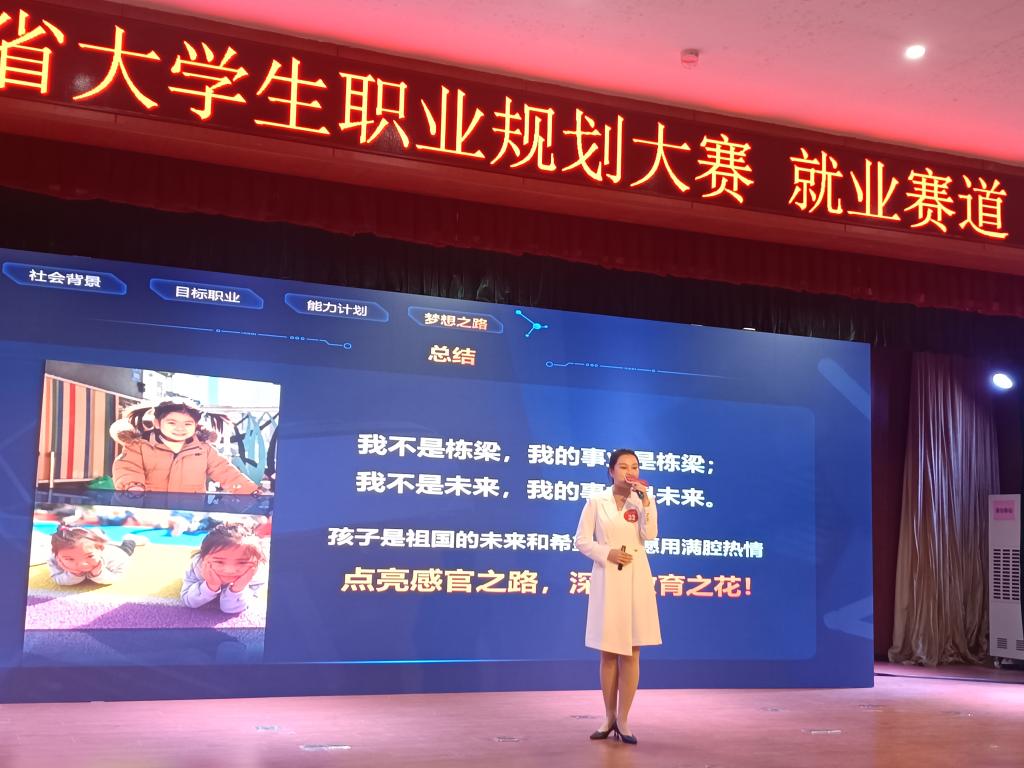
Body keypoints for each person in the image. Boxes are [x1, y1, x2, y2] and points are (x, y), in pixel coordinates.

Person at [574, 448, 661, 745]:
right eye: (623, 466)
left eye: (634, 467)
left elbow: (650, 535)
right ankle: (608, 716)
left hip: (636, 576)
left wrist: (646, 502)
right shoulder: (596, 502)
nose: (630, 472)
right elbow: (581, 541)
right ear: (611, 471)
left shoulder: (644, 500)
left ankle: (624, 719)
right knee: (609, 651)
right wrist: (607, 553)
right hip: (609, 576)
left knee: (633, 650)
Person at [110, 401, 260, 494]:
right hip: (149, 510)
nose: (180, 428)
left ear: (196, 426)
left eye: (188, 423)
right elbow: (128, 468)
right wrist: (133, 486)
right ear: (157, 423)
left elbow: (226, 472)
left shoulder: (203, 450)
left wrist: (251, 492)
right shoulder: (140, 446)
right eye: (172, 423)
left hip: (189, 513)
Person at [180, 521, 268, 614]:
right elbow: (188, 601)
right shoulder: (198, 566)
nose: (229, 570)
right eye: (219, 561)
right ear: (203, 558)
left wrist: (237, 589)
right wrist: (210, 586)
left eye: (242, 562)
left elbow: (230, 608)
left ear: (257, 562)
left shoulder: (256, 576)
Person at [48, 525, 144, 585]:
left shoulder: (115, 558)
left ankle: (130, 539)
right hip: (94, 546)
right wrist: (75, 575)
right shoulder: (54, 559)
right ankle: (98, 533)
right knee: (91, 542)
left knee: (127, 548)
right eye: (70, 559)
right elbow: (57, 579)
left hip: (117, 551)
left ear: (101, 550)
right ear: (57, 556)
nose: (82, 564)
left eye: (90, 556)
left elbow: (115, 578)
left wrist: (98, 573)